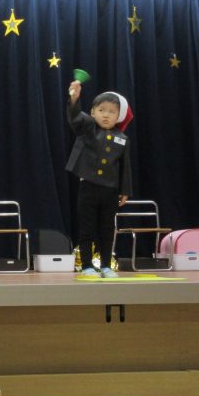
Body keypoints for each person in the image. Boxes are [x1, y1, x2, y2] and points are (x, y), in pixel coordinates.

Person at [66, 80, 133, 278]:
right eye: (101, 110)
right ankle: (87, 265)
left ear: (118, 116)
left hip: (110, 190)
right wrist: (74, 98)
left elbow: (125, 167)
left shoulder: (123, 138)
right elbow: (74, 117)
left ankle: (106, 266)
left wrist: (125, 190)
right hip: (88, 187)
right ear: (93, 112)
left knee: (107, 229)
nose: (106, 115)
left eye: (112, 111)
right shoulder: (87, 127)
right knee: (87, 228)